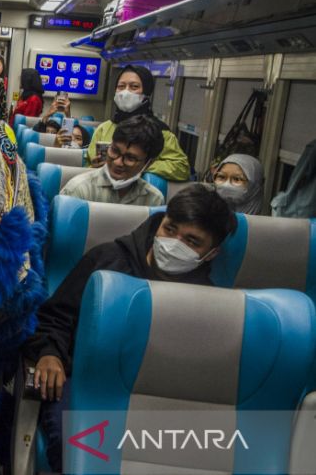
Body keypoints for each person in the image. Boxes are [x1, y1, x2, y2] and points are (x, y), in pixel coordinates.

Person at [24, 184, 237, 471]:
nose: (174, 243)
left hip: (156, 395)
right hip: (85, 379)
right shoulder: (107, 260)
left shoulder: (207, 299)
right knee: (76, 445)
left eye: (192, 241)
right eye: (170, 229)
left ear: (211, 254)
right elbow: (56, 316)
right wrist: (49, 354)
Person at [86, 65, 190, 181]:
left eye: (134, 87)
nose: (125, 92)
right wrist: (93, 167)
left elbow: (181, 168)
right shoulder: (103, 128)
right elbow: (87, 165)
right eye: (121, 86)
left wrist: (141, 165)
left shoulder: (160, 131)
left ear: (146, 92)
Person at [61, 114, 165, 206]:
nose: (117, 162)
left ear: (148, 163)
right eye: (114, 151)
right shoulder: (78, 189)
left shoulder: (154, 200)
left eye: (130, 158)